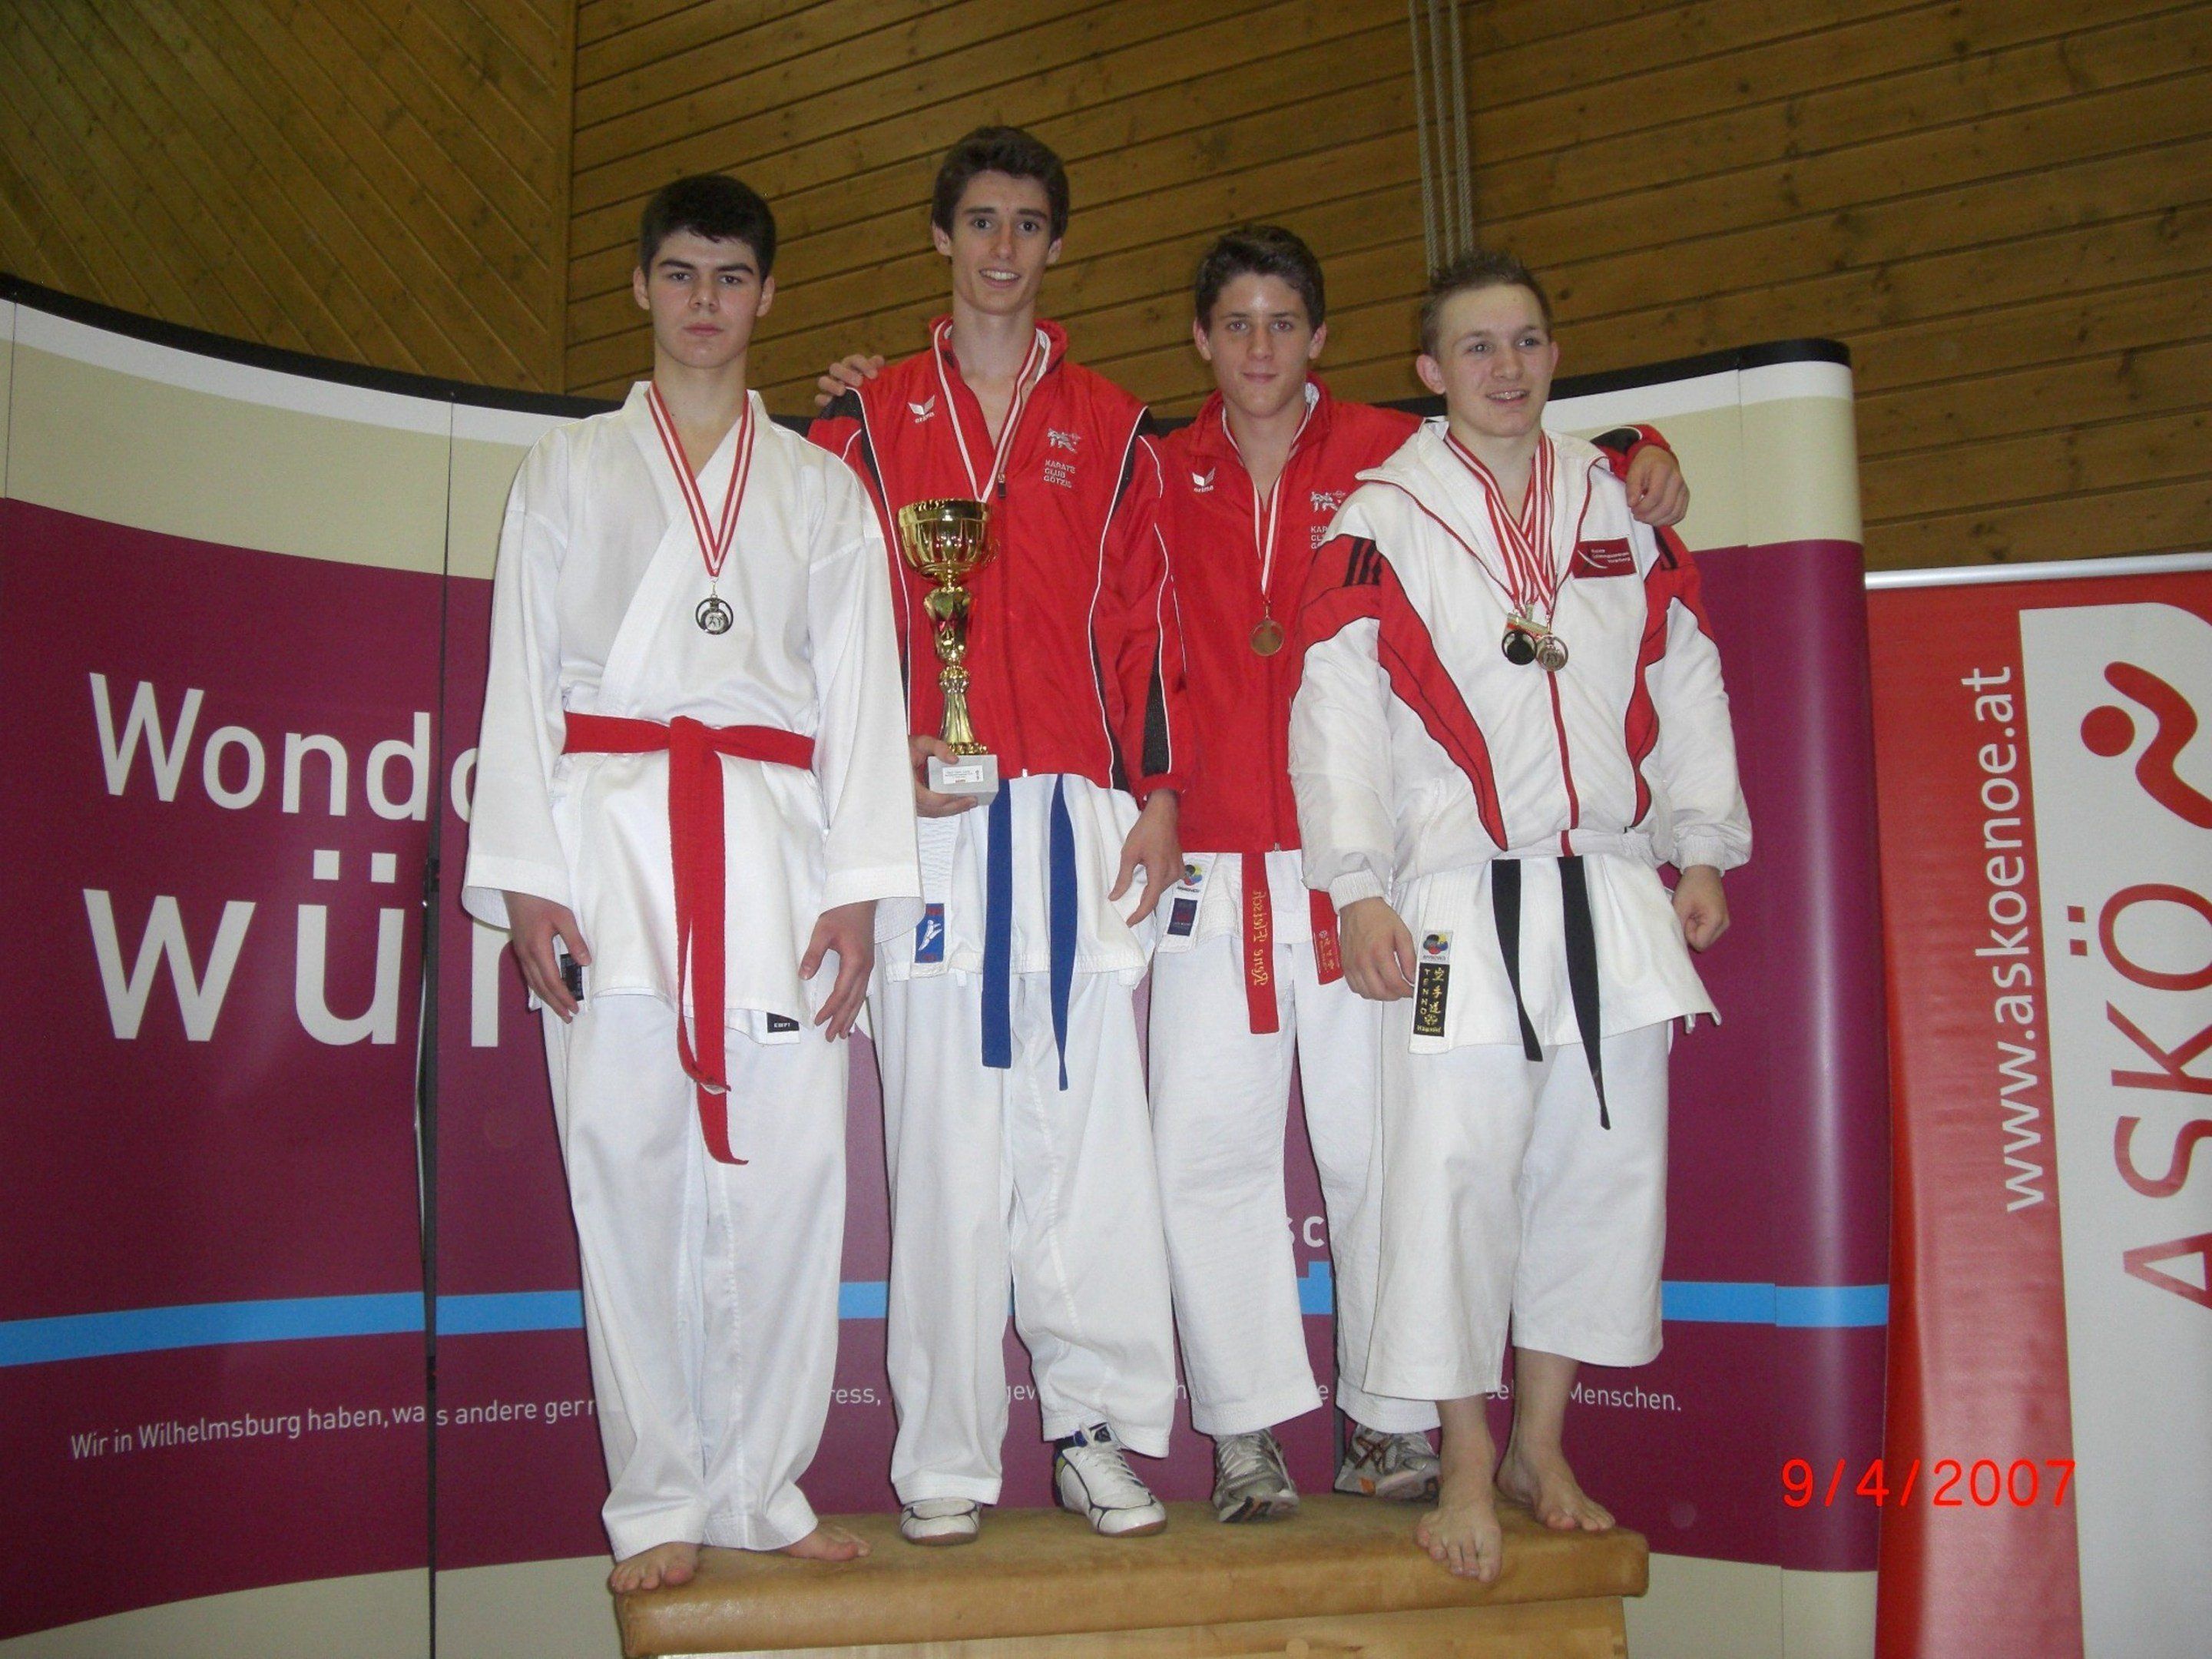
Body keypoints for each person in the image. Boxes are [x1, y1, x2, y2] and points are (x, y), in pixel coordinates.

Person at [1150, 227, 1689, 1523]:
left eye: (1286, 322)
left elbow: (1526, 442)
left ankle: (1388, 1424)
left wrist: (1639, 450)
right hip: (1224, 856)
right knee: (1207, 1159)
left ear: (1325, 340)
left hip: (1377, 872)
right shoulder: (1154, 469)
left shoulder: (1387, 453)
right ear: (1202, 339)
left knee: (1387, 1155)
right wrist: (857, 408)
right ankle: (1243, 1431)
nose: (1262, 347)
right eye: (1237, 323)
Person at [462, 174, 920, 1592]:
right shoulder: (567, 469)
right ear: (642, 288)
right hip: (611, 855)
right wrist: (527, 880)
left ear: (767, 295)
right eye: (680, 274)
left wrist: (860, 887)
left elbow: (866, 697)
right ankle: (658, 1495)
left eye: (730, 277)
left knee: (791, 1182)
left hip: (776, 859)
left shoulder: (823, 489)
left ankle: (764, 1489)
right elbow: (518, 678)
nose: (704, 302)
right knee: (627, 1176)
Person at [1287, 250, 1747, 1582]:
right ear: (1430, 370)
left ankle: (1544, 1445)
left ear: (1554, 356)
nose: (1507, 367)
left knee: (1596, 1177)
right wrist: (1356, 886)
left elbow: (1686, 674)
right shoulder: (1380, 516)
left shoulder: (1620, 501)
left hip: (1608, 889)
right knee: (1449, 1177)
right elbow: (1336, 712)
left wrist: (1700, 846)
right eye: (1477, 347)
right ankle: (1465, 1456)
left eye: (1528, 342)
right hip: (1452, 902)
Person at [809, 127, 1187, 1545]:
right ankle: (945, 1459)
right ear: (941, 236)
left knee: (1086, 1143)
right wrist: (875, 770)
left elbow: (1147, 630)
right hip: (928, 818)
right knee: (945, 1147)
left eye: (1028, 223)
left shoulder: (1117, 424)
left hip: (1074, 817)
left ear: (1056, 243)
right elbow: (828, 637)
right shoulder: (863, 423)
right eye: (980, 221)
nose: (1003, 248)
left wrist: (1161, 793)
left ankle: (1092, 1432)